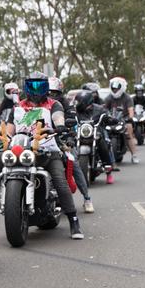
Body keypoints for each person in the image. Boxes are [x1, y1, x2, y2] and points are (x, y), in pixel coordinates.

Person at [0, 71, 84, 239]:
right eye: (32, 85)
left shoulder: (54, 104)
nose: (36, 90)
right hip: (21, 150)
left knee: (59, 180)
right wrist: (4, 138)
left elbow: (58, 118)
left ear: (47, 87)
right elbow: (9, 130)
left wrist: (59, 126)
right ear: (25, 87)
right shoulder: (17, 108)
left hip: (47, 150)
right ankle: (4, 194)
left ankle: (74, 220)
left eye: (40, 85)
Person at [49, 76, 94, 213]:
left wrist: (70, 138)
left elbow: (72, 121)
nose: (51, 95)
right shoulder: (39, 104)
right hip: (41, 140)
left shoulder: (66, 104)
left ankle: (87, 198)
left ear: (60, 92)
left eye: (54, 92)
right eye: (48, 92)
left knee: (73, 163)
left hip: (62, 139)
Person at [74, 90, 115, 185]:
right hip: (80, 134)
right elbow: (68, 116)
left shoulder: (99, 109)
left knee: (103, 144)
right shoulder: (75, 111)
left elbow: (107, 116)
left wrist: (110, 119)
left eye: (79, 101)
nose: (77, 104)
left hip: (96, 133)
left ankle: (108, 169)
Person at [105, 76, 140, 164]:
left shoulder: (127, 98)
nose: (115, 90)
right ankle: (102, 157)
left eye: (117, 88)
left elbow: (131, 110)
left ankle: (134, 155)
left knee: (128, 133)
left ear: (122, 87)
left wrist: (130, 118)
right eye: (113, 88)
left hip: (124, 119)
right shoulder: (108, 98)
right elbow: (104, 109)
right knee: (102, 134)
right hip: (111, 120)